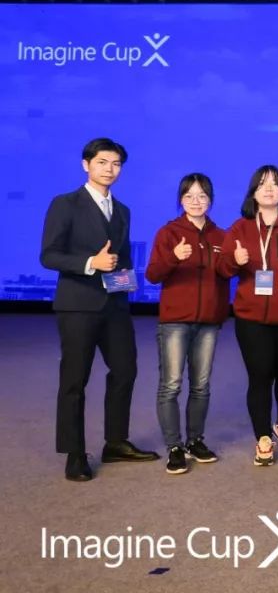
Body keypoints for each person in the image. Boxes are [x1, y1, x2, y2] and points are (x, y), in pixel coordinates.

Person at [40, 138, 159, 482]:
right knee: (74, 380)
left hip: (115, 306)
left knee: (125, 370)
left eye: (116, 163)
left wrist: (126, 281)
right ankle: (74, 453)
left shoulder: (122, 211)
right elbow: (49, 255)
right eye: (103, 162)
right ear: (86, 165)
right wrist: (91, 262)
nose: (110, 169)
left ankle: (116, 442)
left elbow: (121, 258)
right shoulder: (65, 204)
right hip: (78, 305)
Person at [218, 165, 278, 466]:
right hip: (251, 317)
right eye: (262, 184)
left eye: (274, 183)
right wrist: (235, 260)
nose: (269, 189)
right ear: (253, 192)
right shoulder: (240, 228)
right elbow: (223, 269)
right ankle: (262, 436)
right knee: (260, 376)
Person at [145, 173, 231, 475]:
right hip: (175, 322)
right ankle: (174, 447)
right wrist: (174, 257)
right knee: (171, 385)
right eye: (189, 196)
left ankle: (195, 441)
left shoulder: (221, 236)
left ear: (211, 200)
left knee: (201, 386)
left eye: (202, 196)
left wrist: (236, 260)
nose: (196, 201)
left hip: (208, 322)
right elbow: (152, 274)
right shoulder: (169, 233)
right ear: (181, 200)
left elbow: (227, 272)